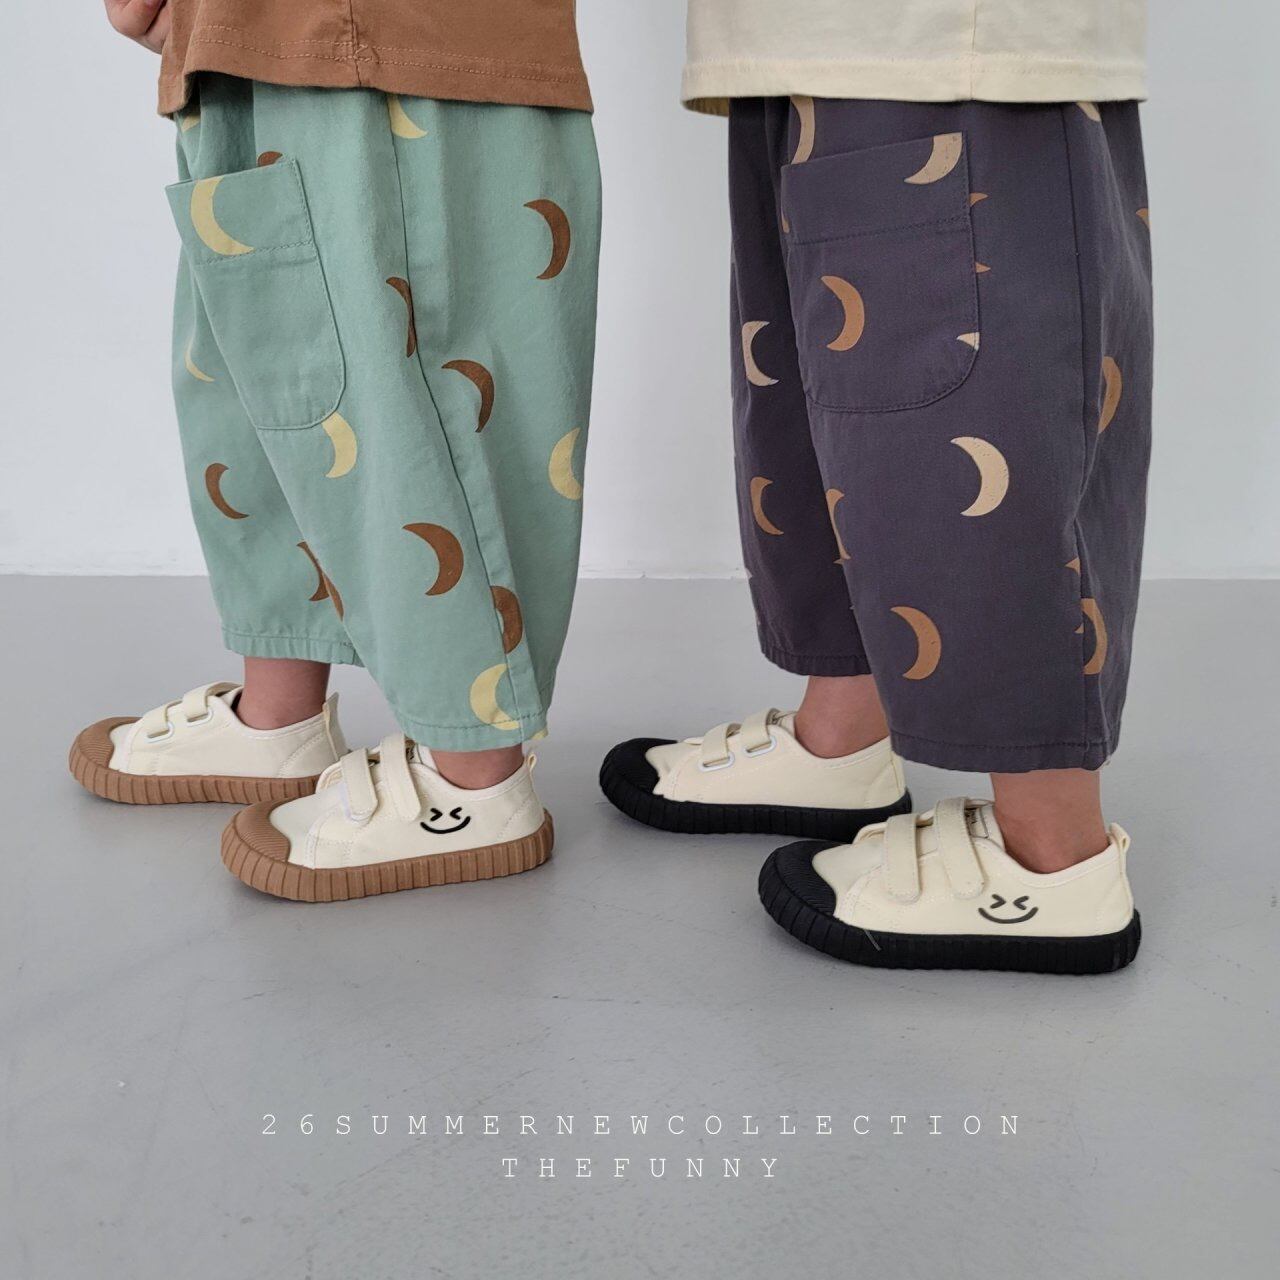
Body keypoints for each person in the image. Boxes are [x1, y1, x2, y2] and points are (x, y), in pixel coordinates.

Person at [601, 0, 1152, 973]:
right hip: (794, 40)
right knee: (824, 407)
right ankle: (843, 737)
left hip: (949, 43)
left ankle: (1052, 854)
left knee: (980, 414)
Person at [72, 1, 601, 901]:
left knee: (412, 386)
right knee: (268, 369)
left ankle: (473, 777)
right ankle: (278, 716)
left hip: (404, 38)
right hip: (242, 29)